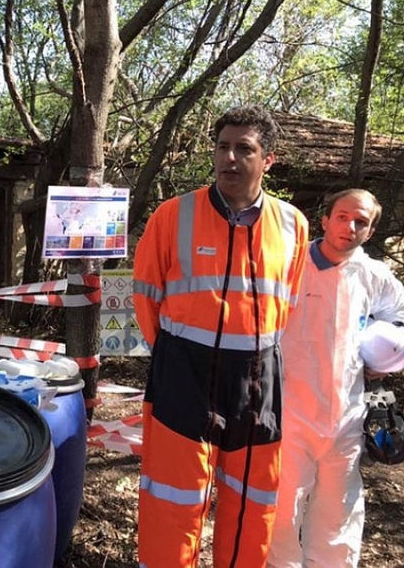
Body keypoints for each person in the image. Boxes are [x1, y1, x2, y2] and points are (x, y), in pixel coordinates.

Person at [132, 105, 309, 567]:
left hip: (257, 376)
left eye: (244, 149)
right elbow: (146, 296)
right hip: (183, 369)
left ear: (268, 159)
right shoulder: (173, 216)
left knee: (252, 496)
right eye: (222, 147)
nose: (229, 158)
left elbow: (286, 301)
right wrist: (178, 350)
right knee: (173, 496)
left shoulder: (293, 224)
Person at [267, 189, 404, 568]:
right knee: (280, 512)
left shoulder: (374, 275)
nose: (350, 226)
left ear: (371, 229)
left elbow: (398, 314)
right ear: (325, 219)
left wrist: (389, 351)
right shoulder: (290, 266)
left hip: (346, 416)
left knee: (339, 515)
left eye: (361, 221)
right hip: (288, 411)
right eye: (343, 217)